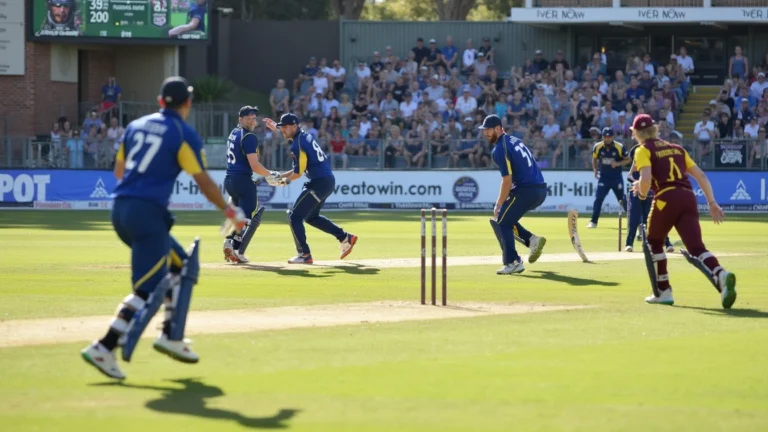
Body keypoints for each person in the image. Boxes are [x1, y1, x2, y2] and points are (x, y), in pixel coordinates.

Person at [81, 77, 247, 380]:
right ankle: (104, 346)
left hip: (120, 210)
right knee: (146, 289)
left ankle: (170, 334)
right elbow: (204, 181)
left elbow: (119, 171)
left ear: (160, 102)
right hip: (147, 215)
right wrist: (229, 210)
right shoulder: (183, 133)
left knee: (181, 267)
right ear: (187, 104)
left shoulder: (136, 126)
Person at [629, 114, 736, 308]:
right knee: (696, 248)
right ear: (655, 129)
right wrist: (712, 203)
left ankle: (663, 291)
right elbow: (701, 175)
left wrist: (642, 195)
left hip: (666, 198)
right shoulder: (677, 149)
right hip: (688, 198)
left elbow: (646, 179)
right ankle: (721, 273)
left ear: (635, 133)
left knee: (654, 242)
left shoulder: (642, 150)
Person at [264, 113, 358, 264]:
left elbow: (298, 173)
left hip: (319, 183)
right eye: (282, 128)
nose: (283, 131)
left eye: (285, 127)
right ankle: (345, 237)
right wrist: (277, 127)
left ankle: (304, 255)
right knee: (310, 217)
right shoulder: (303, 136)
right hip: (325, 181)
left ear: (294, 126)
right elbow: (292, 139)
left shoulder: (298, 144)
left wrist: (282, 181)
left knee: (294, 216)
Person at [479, 115, 547, 275]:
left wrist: (498, 203)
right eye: (484, 131)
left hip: (526, 190)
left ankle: (513, 262)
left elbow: (507, 181)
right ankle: (532, 240)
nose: (485, 133)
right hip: (540, 189)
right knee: (506, 218)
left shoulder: (499, 149)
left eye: (488, 130)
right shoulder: (514, 140)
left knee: (502, 222)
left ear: (498, 128)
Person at [223, 106, 274, 264]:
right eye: (249, 117)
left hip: (229, 180)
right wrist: (270, 174)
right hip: (243, 181)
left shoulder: (234, 132)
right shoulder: (249, 136)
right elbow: (255, 165)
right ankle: (233, 245)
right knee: (247, 218)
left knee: (241, 217)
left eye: (254, 117)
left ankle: (234, 247)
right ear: (240, 119)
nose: (253, 120)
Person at [625, 142, 674, 253]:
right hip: (636, 192)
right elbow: (629, 175)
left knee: (655, 219)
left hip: (650, 193)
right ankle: (629, 244)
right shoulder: (636, 161)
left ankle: (667, 244)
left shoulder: (654, 162)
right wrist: (637, 182)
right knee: (634, 219)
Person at [588, 128, 628, 228]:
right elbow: (594, 158)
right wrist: (595, 169)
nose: (607, 139)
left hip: (616, 178)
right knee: (598, 199)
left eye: (609, 137)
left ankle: (633, 222)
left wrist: (618, 163)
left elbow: (628, 159)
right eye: (605, 137)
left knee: (622, 200)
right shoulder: (598, 147)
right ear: (602, 137)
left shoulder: (619, 147)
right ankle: (593, 222)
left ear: (612, 137)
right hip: (604, 179)